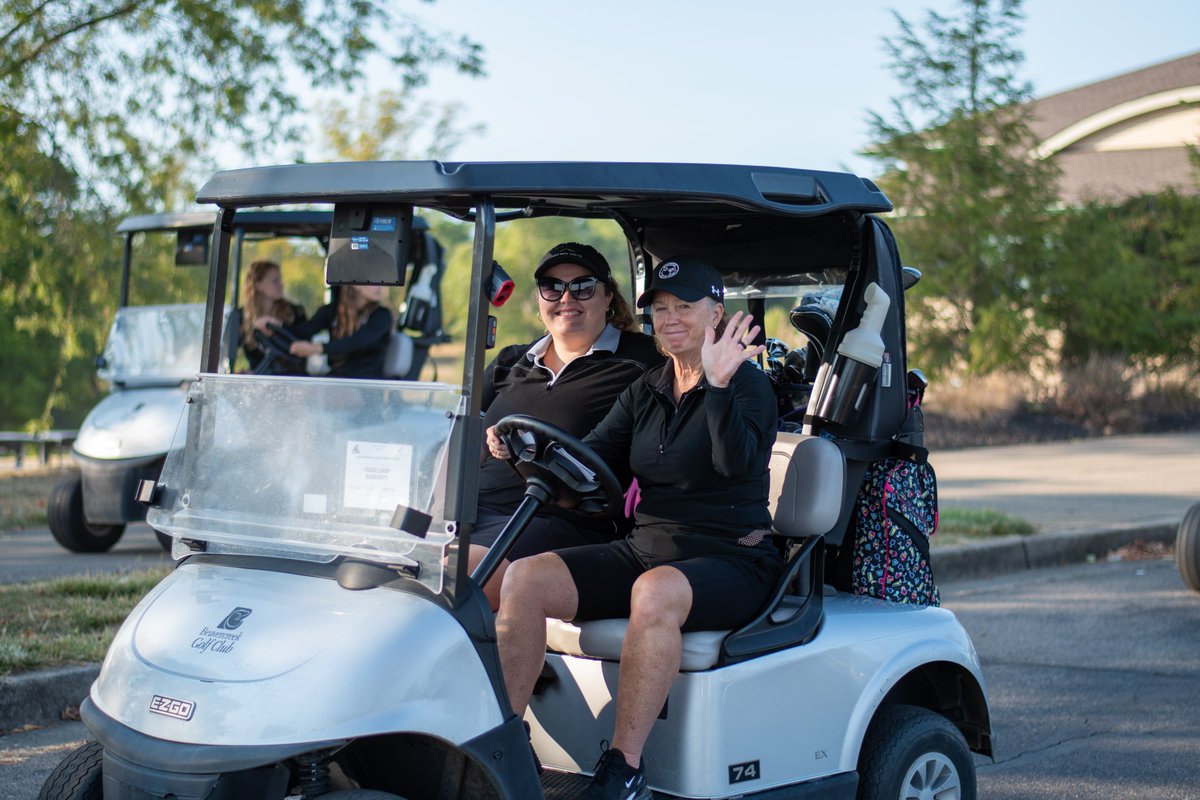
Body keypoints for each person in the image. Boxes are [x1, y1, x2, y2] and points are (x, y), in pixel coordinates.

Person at [494, 256, 781, 799]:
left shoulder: (747, 386)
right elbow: (591, 457)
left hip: (733, 556)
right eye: (661, 309)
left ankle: (623, 766)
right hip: (647, 548)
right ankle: (509, 745)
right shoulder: (646, 388)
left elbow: (735, 466)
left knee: (653, 591)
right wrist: (522, 455)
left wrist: (716, 387)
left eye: (685, 308)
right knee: (523, 579)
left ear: (715, 313)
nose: (671, 319)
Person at [470, 242, 663, 608]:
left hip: (559, 518)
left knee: (459, 575)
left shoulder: (642, 360)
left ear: (608, 297)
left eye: (583, 287)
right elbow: (457, 435)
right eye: (552, 287)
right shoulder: (512, 360)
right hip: (475, 512)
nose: (566, 298)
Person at [278, 285, 393, 379]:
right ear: (356, 282)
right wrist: (277, 327)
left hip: (367, 382)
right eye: (373, 281)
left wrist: (318, 348)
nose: (379, 287)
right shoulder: (331, 311)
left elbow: (357, 341)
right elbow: (303, 331)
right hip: (337, 378)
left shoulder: (382, 316)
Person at [239, 260, 307, 374]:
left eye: (280, 280)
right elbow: (227, 350)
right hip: (259, 379)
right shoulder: (242, 316)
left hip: (293, 377)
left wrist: (279, 328)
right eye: (275, 281)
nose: (281, 285)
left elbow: (304, 343)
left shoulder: (295, 312)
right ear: (258, 285)